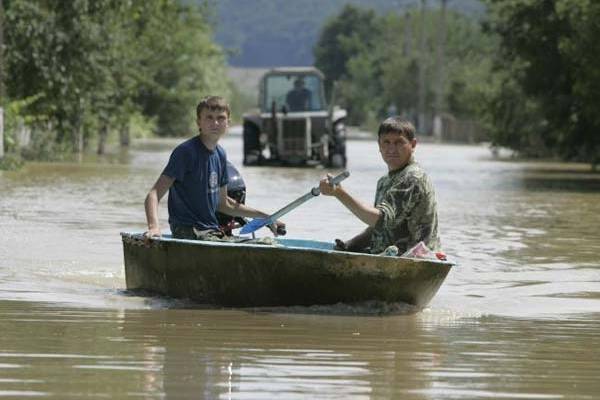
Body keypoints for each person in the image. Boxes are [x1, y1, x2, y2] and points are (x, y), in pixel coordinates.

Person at [143, 95, 284, 241]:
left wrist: (268, 218)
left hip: (211, 231)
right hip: (189, 230)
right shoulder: (186, 152)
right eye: (209, 117)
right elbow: (153, 194)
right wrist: (154, 227)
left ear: (228, 123)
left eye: (220, 118)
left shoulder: (220, 154)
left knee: (267, 243)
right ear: (199, 122)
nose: (215, 123)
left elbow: (224, 204)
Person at [319, 117, 440, 255]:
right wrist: (348, 246)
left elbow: (379, 220)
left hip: (415, 259)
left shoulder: (412, 178)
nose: (391, 148)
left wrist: (339, 193)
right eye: (386, 142)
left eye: (399, 142)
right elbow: (378, 229)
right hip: (388, 256)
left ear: (413, 145)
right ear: (379, 145)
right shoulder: (384, 181)